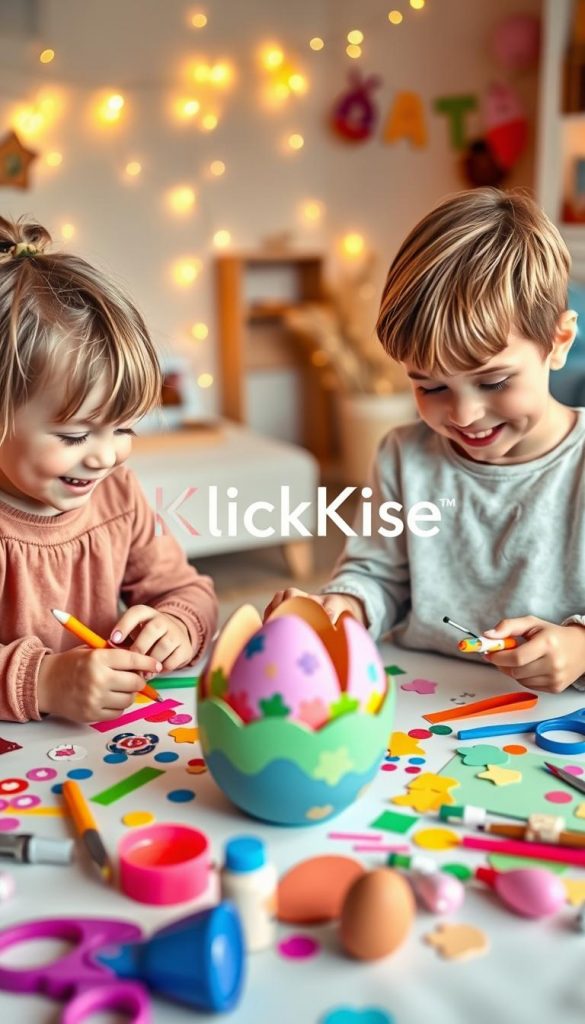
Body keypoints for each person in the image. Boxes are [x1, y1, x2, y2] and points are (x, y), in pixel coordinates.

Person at [265, 188, 585, 694]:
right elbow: (376, 574)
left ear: (559, 343)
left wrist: (578, 646)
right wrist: (344, 609)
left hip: (550, 717)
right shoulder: (403, 455)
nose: (463, 414)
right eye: (431, 386)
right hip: (420, 697)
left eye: (494, 381)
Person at [0, 217, 217, 723]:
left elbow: (188, 590)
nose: (105, 457)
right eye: (75, 436)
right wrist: (45, 681)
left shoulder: (116, 494)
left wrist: (176, 624)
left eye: (124, 430)